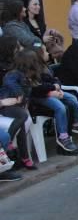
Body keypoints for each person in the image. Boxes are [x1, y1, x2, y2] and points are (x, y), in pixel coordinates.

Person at [6, 47, 78, 155]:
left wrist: (56, 87)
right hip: (35, 104)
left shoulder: (38, 69)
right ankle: (64, 140)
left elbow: (52, 79)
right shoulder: (21, 76)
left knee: (70, 104)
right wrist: (51, 91)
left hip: (45, 95)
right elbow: (35, 90)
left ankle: (67, 141)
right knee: (62, 107)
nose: (47, 53)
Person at [0, 38, 35, 170]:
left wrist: (24, 102)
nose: (20, 50)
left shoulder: (21, 72)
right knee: (22, 118)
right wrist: (19, 94)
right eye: (17, 47)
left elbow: (28, 91)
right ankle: (11, 147)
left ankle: (23, 157)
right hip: (5, 105)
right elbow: (9, 83)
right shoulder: (12, 73)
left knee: (23, 121)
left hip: (15, 106)